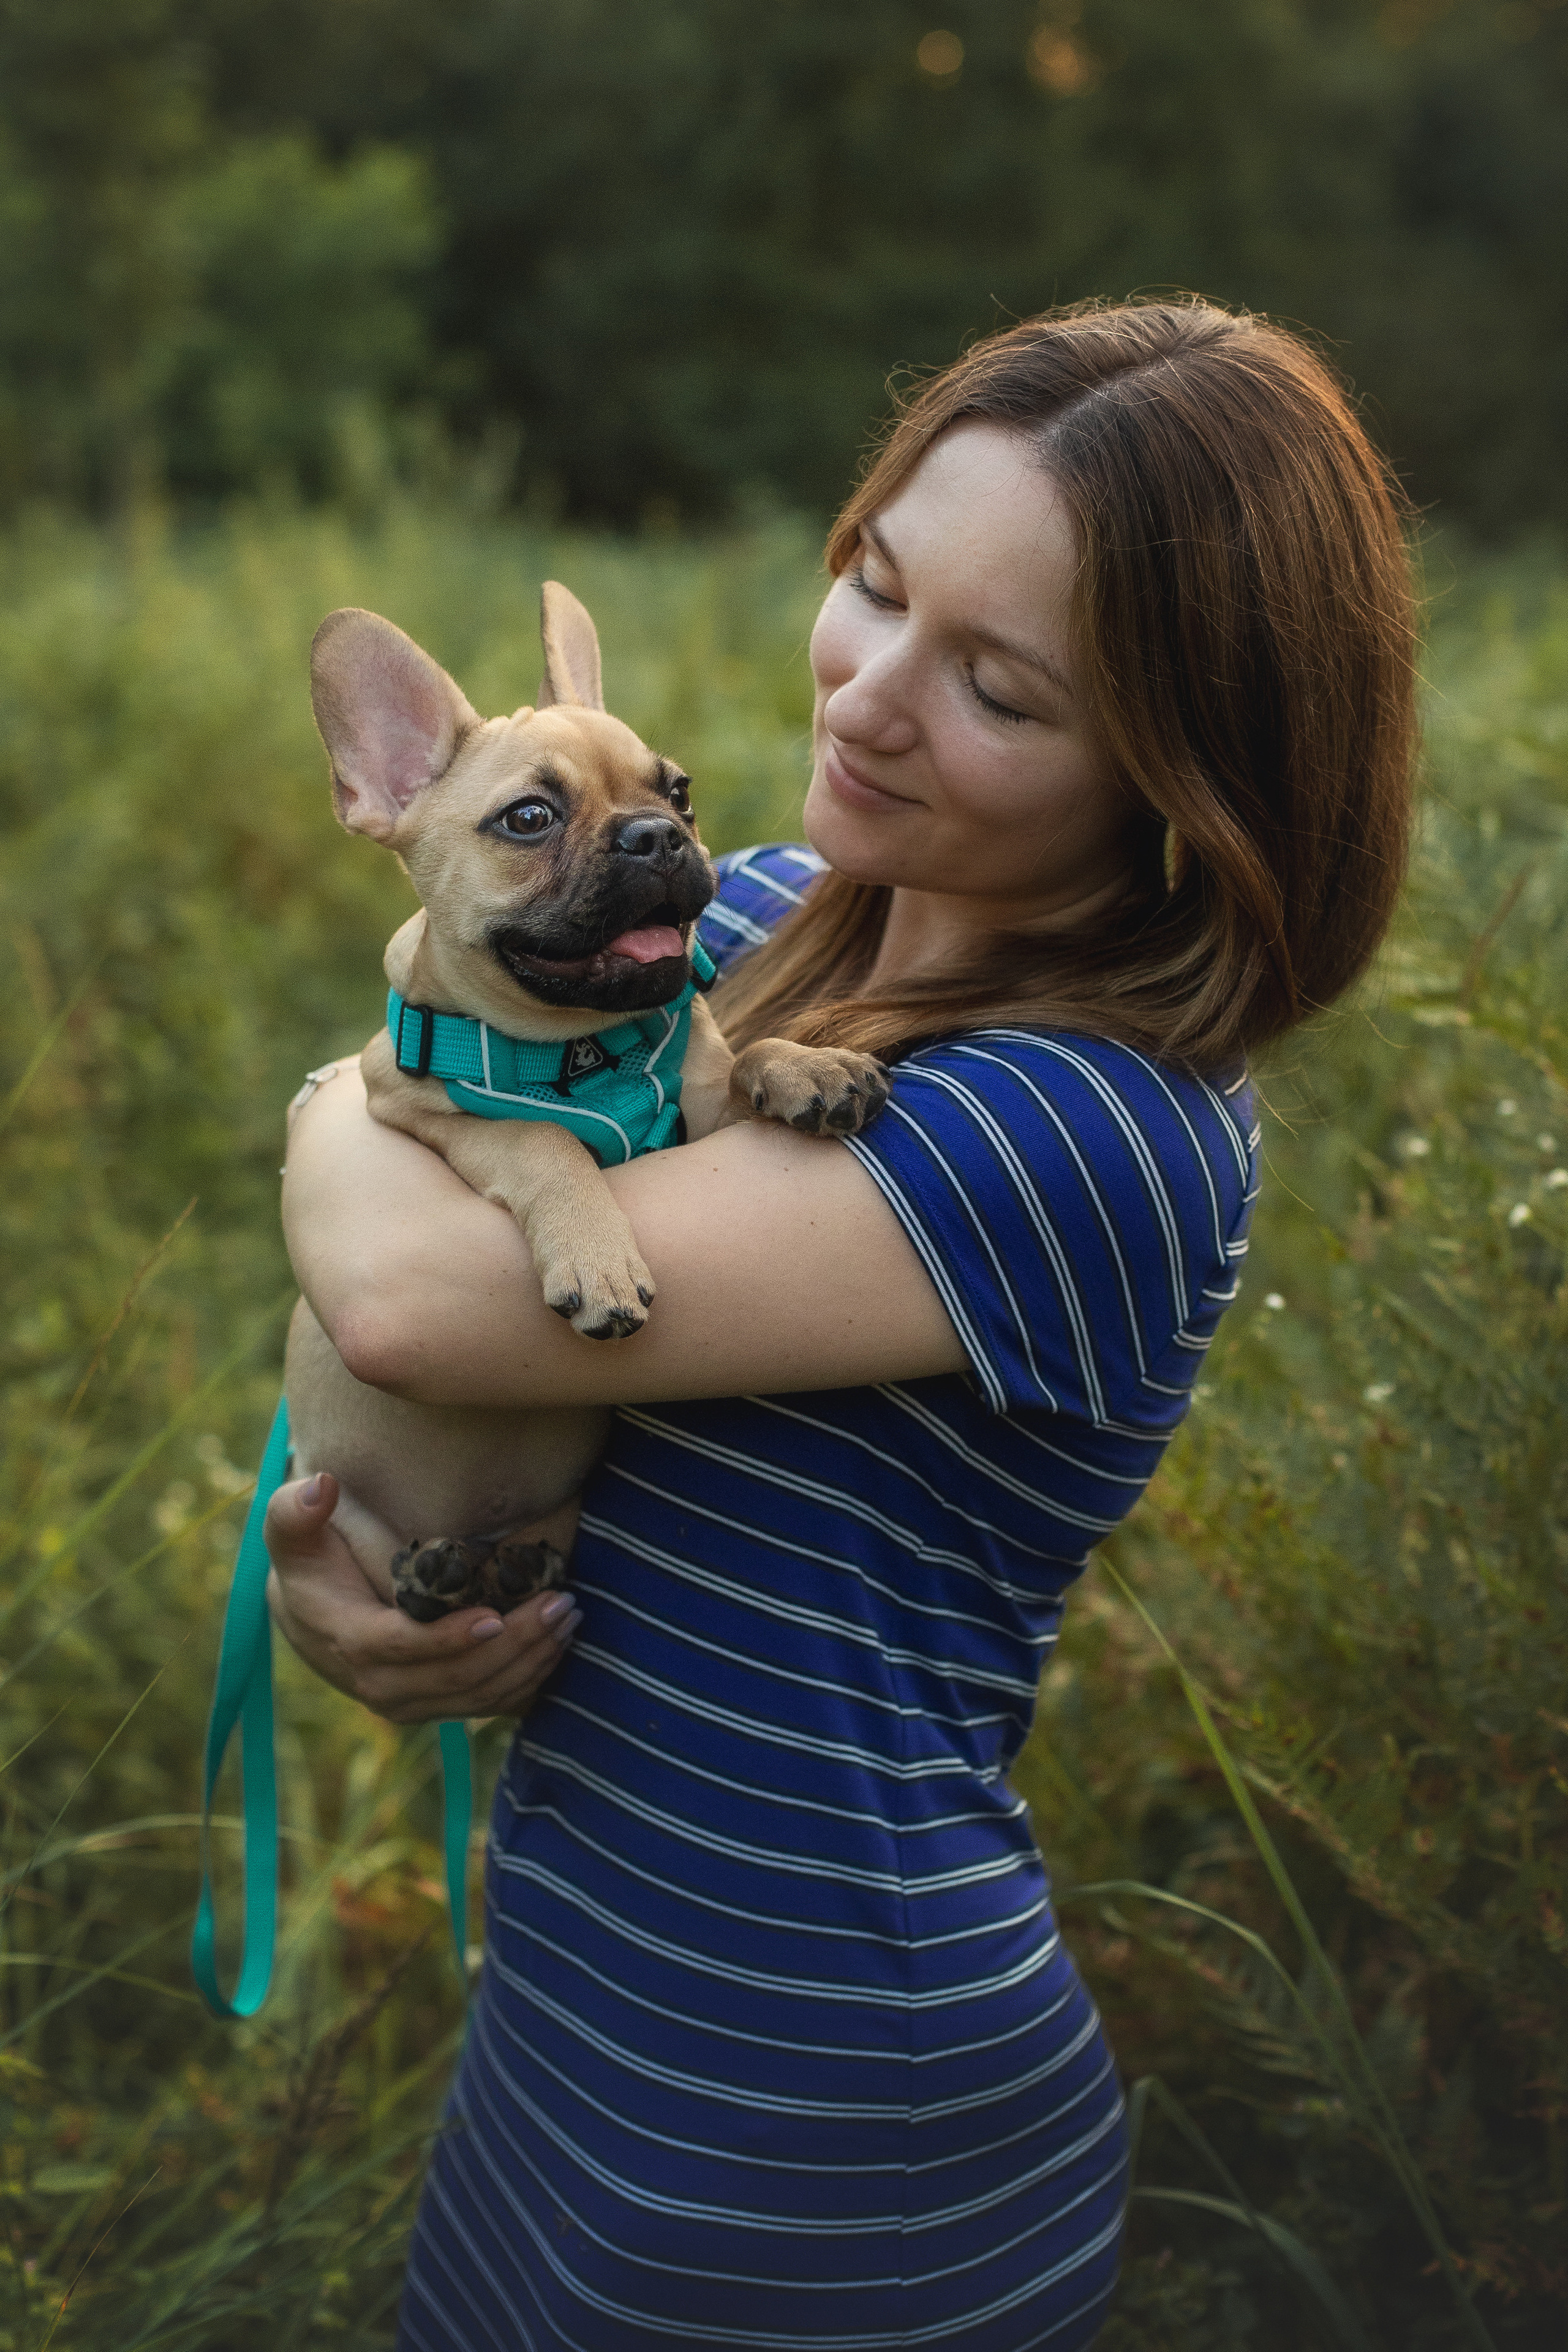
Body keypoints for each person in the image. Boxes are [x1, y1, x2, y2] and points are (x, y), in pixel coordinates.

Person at [268, 299, 1417, 2351]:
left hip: (824, 2121)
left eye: (996, 685)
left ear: (1193, 768)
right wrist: (380, 1602)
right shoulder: (734, 923)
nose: (870, 699)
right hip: (571, 2012)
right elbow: (407, 1025)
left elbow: (398, 1278)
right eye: (872, 586)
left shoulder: (1091, 1125)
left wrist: (359, 1102)